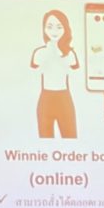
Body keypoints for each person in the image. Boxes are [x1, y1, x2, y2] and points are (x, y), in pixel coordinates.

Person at [30, 9, 80, 138]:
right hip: (46, 100)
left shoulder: (69, 53)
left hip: (64, 99)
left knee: (70, 138)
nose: (54, 31)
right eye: (49, 27)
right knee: (45, 140)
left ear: (65, 29)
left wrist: (60, 51)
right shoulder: (40, 52)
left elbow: (75, 68)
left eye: (59, 27)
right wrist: (50, 50)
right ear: (44, 29)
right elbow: (33, 67)